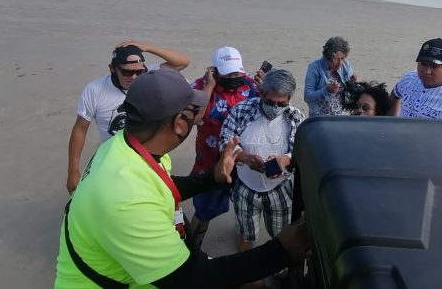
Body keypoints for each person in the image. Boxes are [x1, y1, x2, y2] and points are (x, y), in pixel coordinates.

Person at [55, 69, 310, 288]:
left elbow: (164, 186)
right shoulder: (126, 199)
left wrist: (213, 178)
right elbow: (190, 279)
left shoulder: (123, 147)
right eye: (193, 111)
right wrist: (280, 251)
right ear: (179, 123)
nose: (198, 116)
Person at [66, 41, 190, 194]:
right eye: (127, 72)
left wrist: (147, 47)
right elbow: (80, 129)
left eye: (139, 72)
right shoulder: (95, 90)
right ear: (112, 69)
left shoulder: (151, 78)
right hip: (115, 160)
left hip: (152, 156)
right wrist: (73, 170)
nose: (134, 77)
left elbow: (183, 62)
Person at [219, 69, 304, 254]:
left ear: (289, 98)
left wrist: (285, 159)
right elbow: (225, 140)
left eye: (281, 103)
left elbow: (302, 151)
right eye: (269, 101)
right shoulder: (242, 110)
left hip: (280, 188)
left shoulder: (295, 117)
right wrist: (245, 157)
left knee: (282, 236)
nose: (274, 108)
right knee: (244, 234)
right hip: (245, 187)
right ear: (261, 93)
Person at [188, 46, 259, 249]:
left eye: (237, 72)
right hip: (211, 160)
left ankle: (242, 239)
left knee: (244, 206)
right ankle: (192, 248)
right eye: (229, 73)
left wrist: (264, 89)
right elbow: (193, 118)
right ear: (214, 71)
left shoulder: (250, 86)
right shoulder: (200, 87)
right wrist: (209, 88)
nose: (235, 76)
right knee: (205, 208)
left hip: (243, 160)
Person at [304, 36, 356, 116]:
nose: (340, 63)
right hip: (320, 116)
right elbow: (307, 97)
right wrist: (326, 90)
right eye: (336, 59)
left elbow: (351, 93)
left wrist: (353, 84)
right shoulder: (314, 68)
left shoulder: (346, 65)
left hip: (341, 114)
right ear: (327, 57)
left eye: (342, 58)